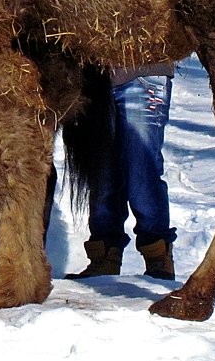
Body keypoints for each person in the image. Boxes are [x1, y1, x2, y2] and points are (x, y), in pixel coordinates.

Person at [72, 63, 177, 280]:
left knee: (141, 167)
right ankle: (104, 256)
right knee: (101, 170)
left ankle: (157, 254)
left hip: (144, 71)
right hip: (94, 78)